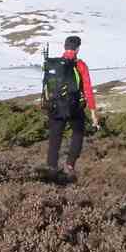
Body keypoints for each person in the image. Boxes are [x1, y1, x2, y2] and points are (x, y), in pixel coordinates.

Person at [45, 34, 99, 177]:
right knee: (78, 133)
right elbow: (87, 88)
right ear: (78, 48)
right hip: (74, 107)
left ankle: (51, 168)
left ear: (65, 47)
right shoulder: (80, 65)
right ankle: (70, 164)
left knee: (55, 138)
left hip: (55, 106)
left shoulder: (54, 64)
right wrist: (93, 112)